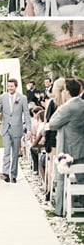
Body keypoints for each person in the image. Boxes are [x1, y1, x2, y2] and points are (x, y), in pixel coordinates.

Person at [47, 78, 84, 216]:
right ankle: (80, 204)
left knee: (62, 179)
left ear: (67, 92)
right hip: (81, 146)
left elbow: (53, 123)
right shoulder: (82, 104)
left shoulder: (68, 107)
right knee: (81, 178)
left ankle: (60, 210)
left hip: (68, 147)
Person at [0, 78, 31, 183]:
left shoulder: (22, 98)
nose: (9, 88)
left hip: (17, 128)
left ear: (16, 86)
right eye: (8, 86)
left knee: (15, 153)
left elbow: (27, 115)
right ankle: (5, 173)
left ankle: (13, 175)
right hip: (6, 128)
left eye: (12, 86)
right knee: (6, 151)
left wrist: (29, 130)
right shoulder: (3, 97)